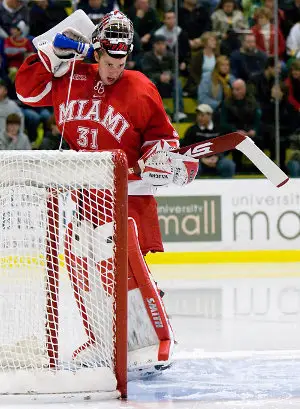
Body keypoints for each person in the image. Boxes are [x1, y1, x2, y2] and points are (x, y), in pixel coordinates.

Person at [15, 11, 198, 375]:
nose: (114, 70)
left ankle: (149, 339)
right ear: (95, 52)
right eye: (109, 62)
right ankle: (102, 340)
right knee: (82, 264)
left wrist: (161, 158)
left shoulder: (140, 86)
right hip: (84, 197)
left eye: (121, 62)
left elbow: (162, 138)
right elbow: (26, 91)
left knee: (121, 269)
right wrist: (52, 51)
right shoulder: (70, 76)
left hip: (127, 197)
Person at [181, 103, 236, 178]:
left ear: (210, 116)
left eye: (202, 115)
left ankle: (226, 188)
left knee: (228, 165)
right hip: (197, 161)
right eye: (198, 115)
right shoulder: (192, 130)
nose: (199, 118)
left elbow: (226, 146)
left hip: (217, 160)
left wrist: (218, 157)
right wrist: (201, 159)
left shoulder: (219, 129)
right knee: (191, 168)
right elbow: (186, 148)